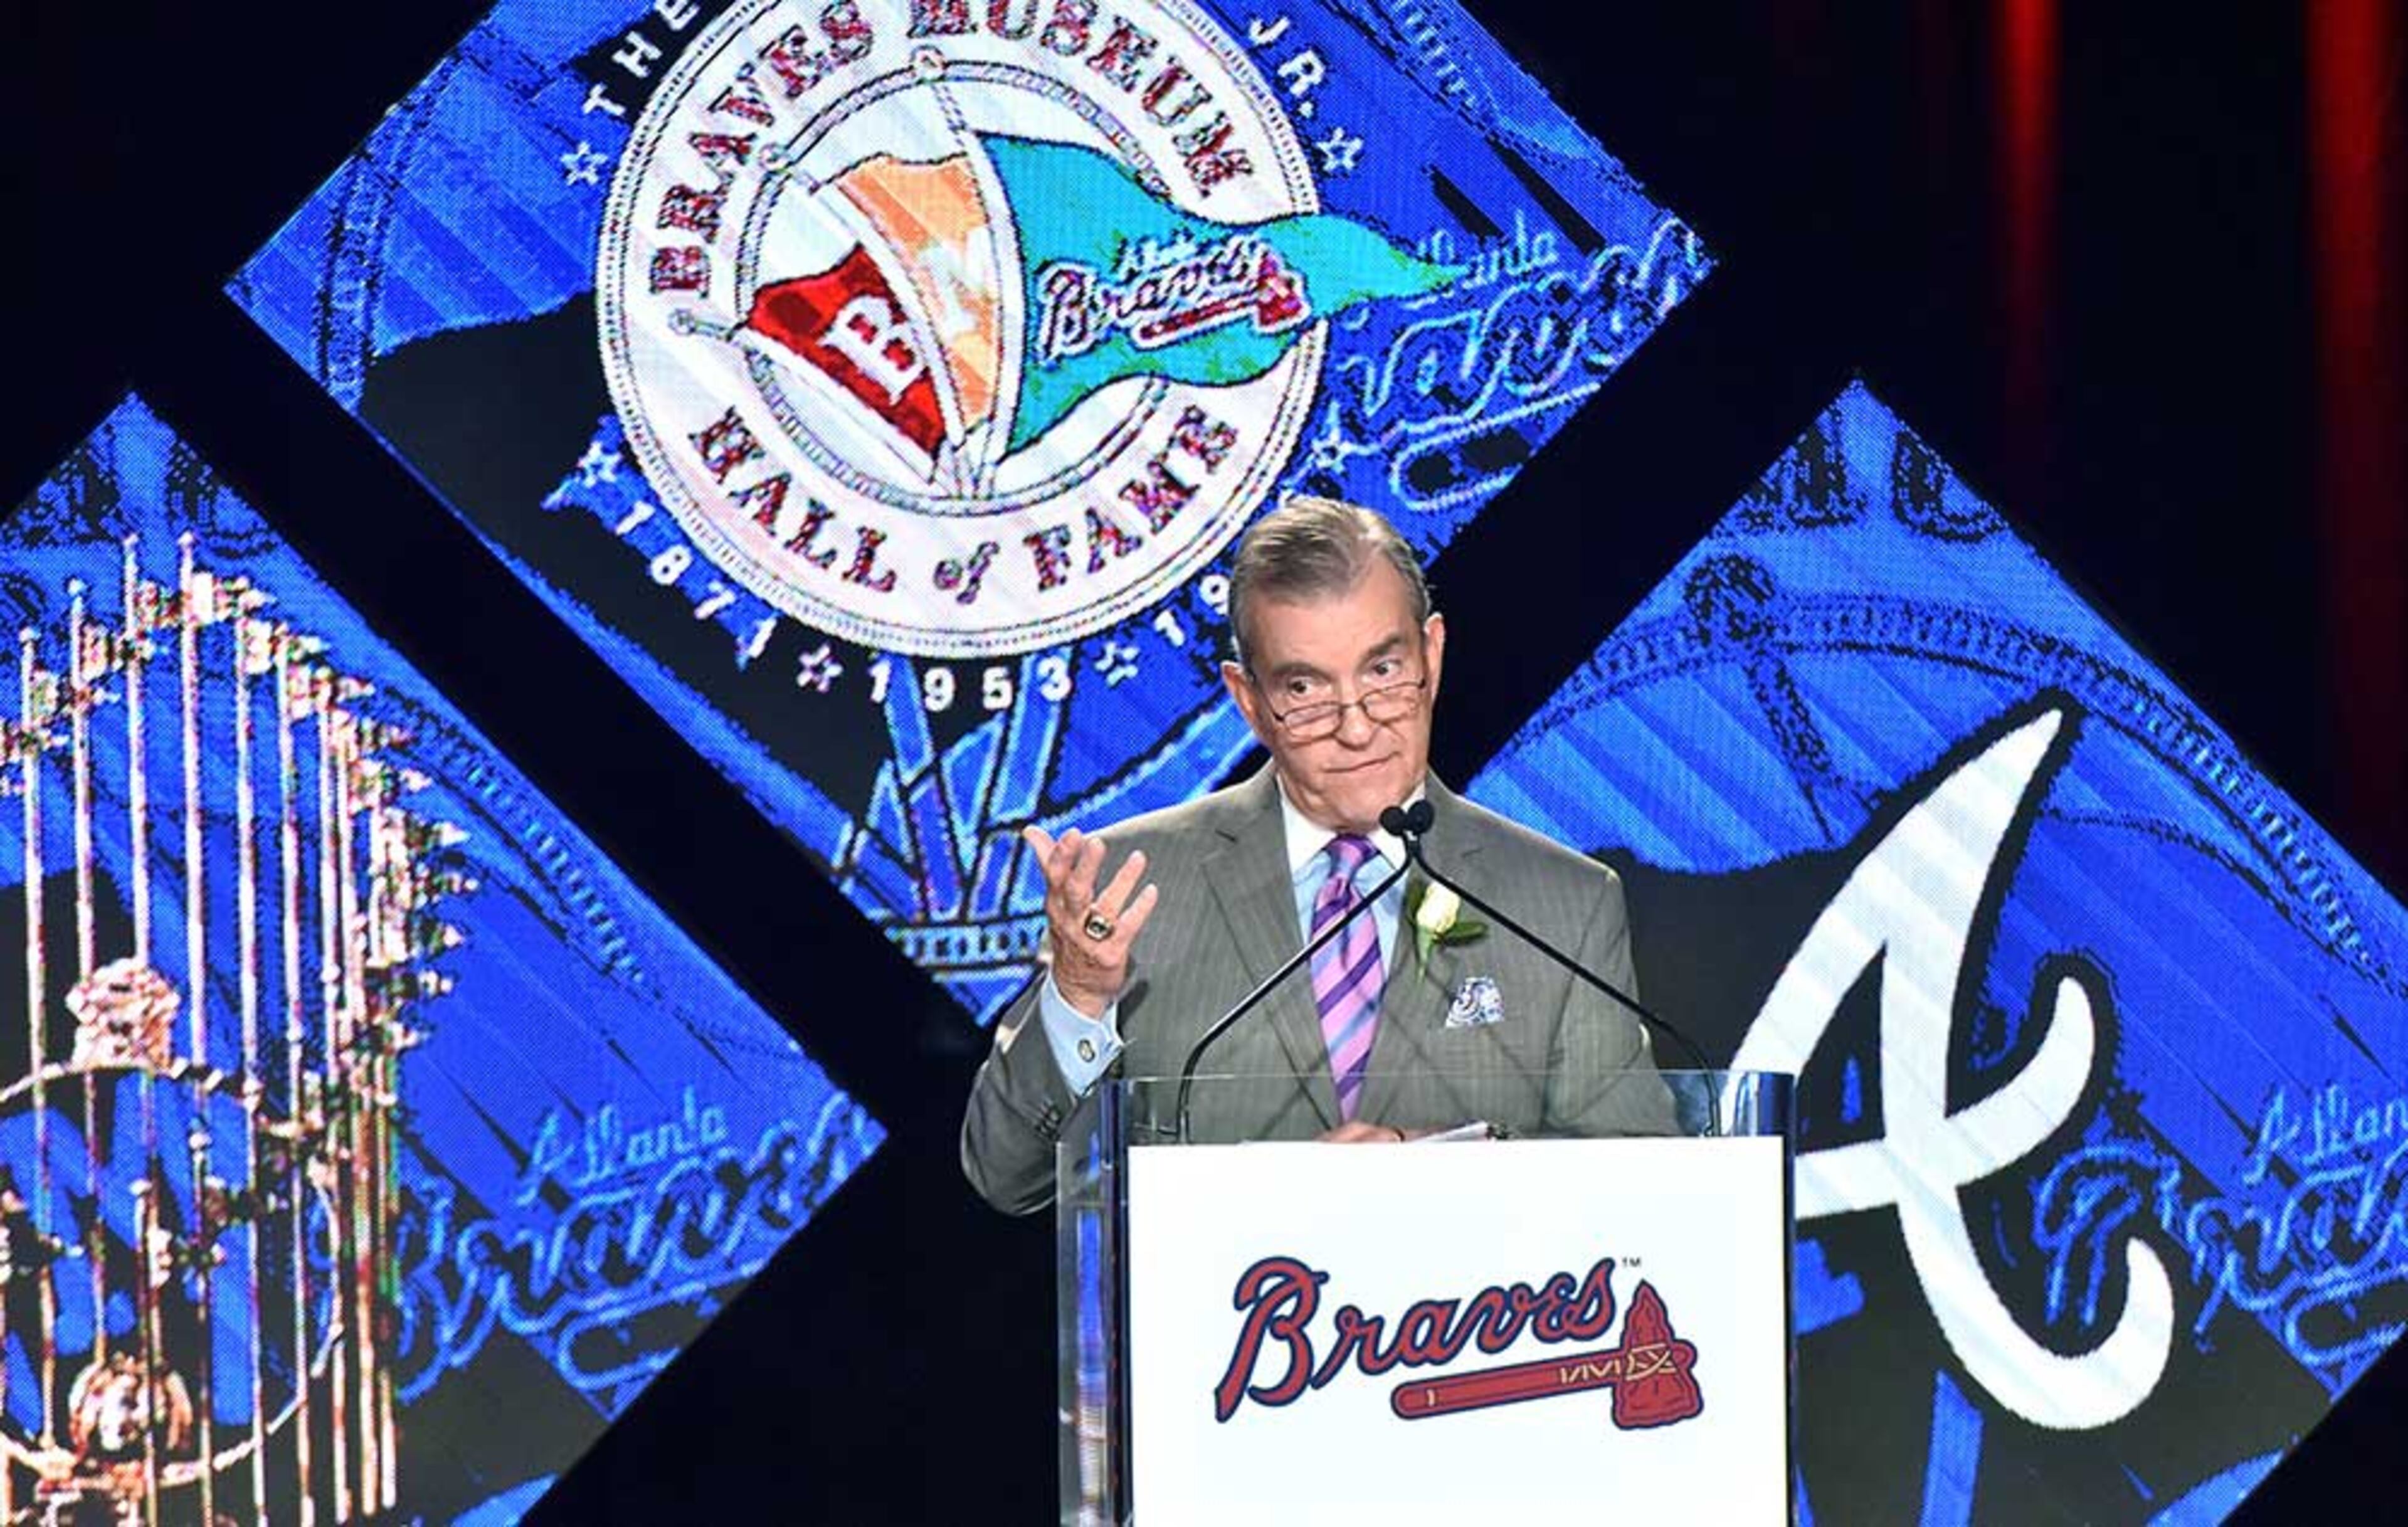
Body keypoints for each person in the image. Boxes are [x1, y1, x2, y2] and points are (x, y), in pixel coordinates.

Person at [960, 496, 1674, 1213]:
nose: (1357, 727)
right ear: (1248, 698)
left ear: (1433, 652)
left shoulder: (1561, 904)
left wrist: (1439, 1162)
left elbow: (1640, 1172)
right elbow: (1006, 1174)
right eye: (1304, 688)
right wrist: (1079, 999)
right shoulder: (1135, 887)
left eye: (1384, 671)